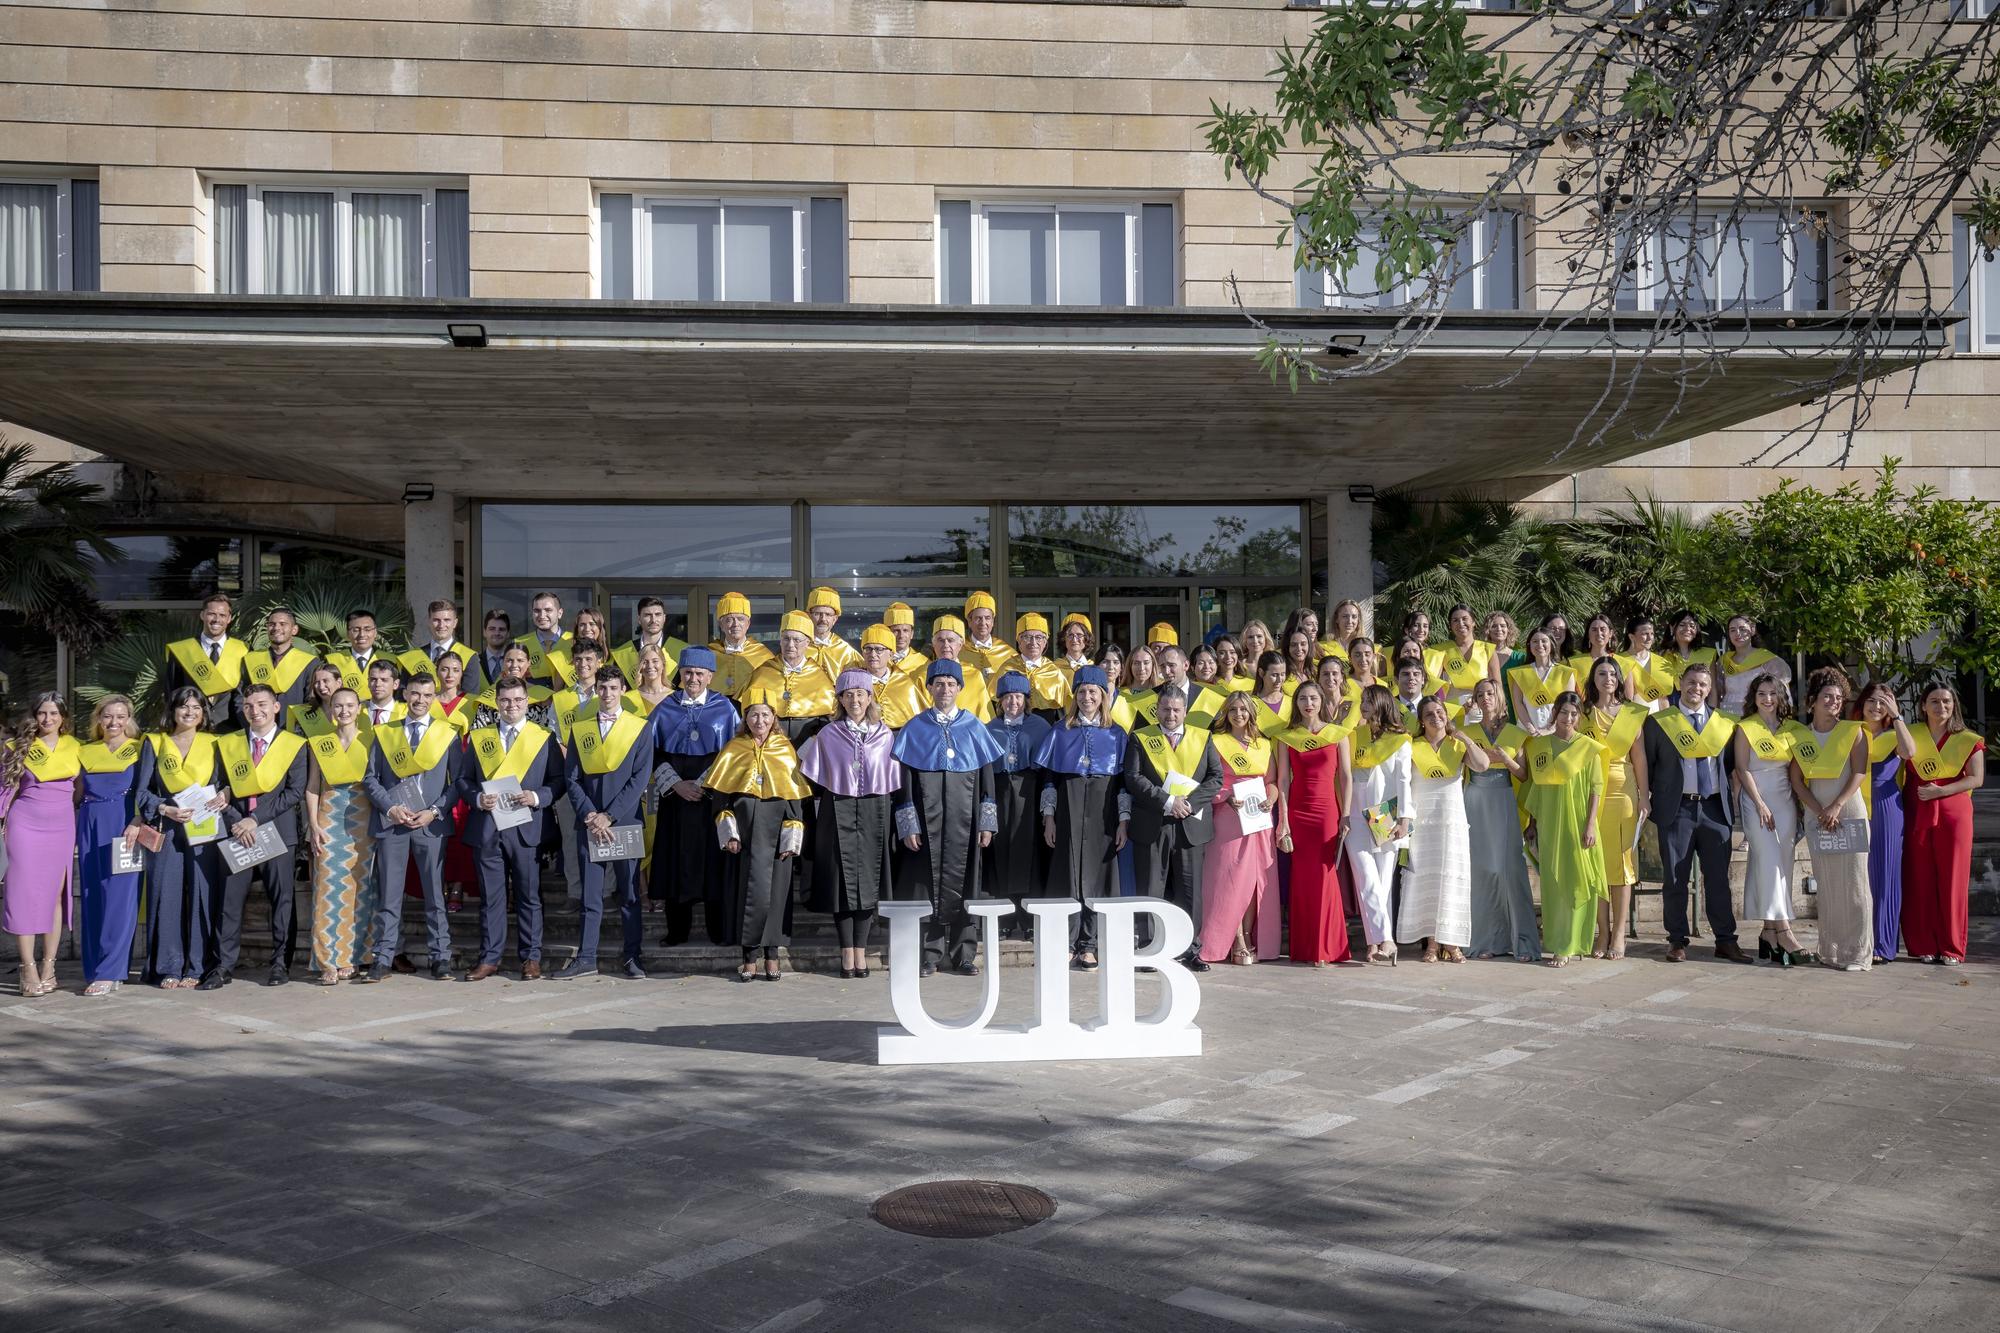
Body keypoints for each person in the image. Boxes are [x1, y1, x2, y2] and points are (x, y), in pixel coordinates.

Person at [893, 661, 1003, 976]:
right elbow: (906, 785)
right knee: (926, 884)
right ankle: (929, 955)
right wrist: (909, 825)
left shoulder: (974, 727)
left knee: (968, 882)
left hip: (965, 823)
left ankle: (964, 953)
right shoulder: (915, 728)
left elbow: (987, 782)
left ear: (959, 688)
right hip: (927, 828)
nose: (944, 689)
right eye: (938, 683)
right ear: (929, 688)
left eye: (950, 684)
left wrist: (986, 822)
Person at [359, 673, 463, 982]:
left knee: (435, 895)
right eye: (415, 694)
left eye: (427, 695)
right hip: (394, 822)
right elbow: (370, 779)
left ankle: (440, 957)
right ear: (405, 694)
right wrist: (390, 807)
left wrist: (434, 811)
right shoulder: (385, 734)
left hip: (429, 824)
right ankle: (383, 956)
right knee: (390, 896)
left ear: (434, 698)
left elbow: (457, 783)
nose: (420, 700)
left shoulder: (447, 734)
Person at [205, 682, 309, 989]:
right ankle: (223, 966)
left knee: (283, 902)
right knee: (229, 902)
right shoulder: (229, 744)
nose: (256, 711)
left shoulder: (293, 744)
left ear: (276, 707)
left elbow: (294, 792)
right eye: (249, 706)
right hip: (237, 832)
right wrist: (239, 821)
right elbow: (218, 788)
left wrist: (255, 819)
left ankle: (280, 964)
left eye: (262, 704)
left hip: (277, 832)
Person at [797, 670, 899, 978]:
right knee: (840, 881)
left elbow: (892, 776)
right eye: (848, 694)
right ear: (840, 699)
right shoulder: (828, 734)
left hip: (874, 808)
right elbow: (811, 772)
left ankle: (862, 950)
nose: (855, 700)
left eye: (861, 694)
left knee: (867, 879)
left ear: (870, 698)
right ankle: (847, 953)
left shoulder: (885, 734)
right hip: (836, 808)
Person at [1641, 662, 1745, 963]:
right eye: (1690, 682)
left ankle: (1726, 940)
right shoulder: (1660, 722)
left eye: (1702, 684)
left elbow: (1729, 767)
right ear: (1680, 683)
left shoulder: (1724, 724)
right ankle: (1676, 940)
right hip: (1677, 808)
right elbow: (1649, 763)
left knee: (1718, 880)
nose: (1695, 689)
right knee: (1675, 878)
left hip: (1714, 807)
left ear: (1709, 689)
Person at [555, 665, 653, 979]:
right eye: (603, 688)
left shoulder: (639, 727)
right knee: (591, 894)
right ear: (596, 690)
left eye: (613, 688)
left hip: (623, 821)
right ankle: (586, 957)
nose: (608, 694)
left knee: (629, 894)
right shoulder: (580, 728)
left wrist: (609, 816)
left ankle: (632, 956)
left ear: (623, 690)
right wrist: (590, 815)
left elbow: (639, 779)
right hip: (589, 823)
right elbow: (572, 779)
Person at [455, 677, 554, 981]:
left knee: (528, 896)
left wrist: (536, 797)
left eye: (518, 700)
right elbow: (463, 780)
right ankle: (490, 958)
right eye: (506, 701)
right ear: (496, 704)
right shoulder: (480, 738)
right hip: (488, 827)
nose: (512, 706)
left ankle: (531, 958)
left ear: (527, 702)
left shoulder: (543, 738)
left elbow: (559, 782)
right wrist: (476, 798)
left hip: (526, 826)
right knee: (491, 898)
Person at [1034, 665, 1129, 971]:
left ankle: (1090, 944)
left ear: (1103, 696)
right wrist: (1048, 818)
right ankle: (1066, 942)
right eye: (1082, 692)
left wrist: (1124, 821)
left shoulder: (1116, 734)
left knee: (1099, 879)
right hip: (1068, 807)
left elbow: (1123, 784)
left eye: (1093, 692)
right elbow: (1049, 780)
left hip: (1104, 811)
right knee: (1067, 876)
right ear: (1074, 696)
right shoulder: (1061, 731)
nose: (1087, 697)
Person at [1126, 685, 1227, 971]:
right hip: (1153, 821)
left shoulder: (1203, 737)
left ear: (1185, 711)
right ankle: (1148, 949)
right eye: (1165, 709)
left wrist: (1190, 804)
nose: (1170, 715)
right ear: (1157, 709)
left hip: (1190, 823)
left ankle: (1191, 949)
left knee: (1190, 890)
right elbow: (1132, 778)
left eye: (1176, 710)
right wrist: (1168, 801)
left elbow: (1215, 777)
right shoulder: (1141, 738)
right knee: (1150, 888)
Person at [648, 646, 741, 946]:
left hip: (710, 798)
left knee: (713, 862)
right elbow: (653, 753)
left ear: (710, 676)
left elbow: (731, 752)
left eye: (700, 673)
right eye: (688, 673)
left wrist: (704, 783)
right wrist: (677, 785)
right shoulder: (665, 708)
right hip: (675, 800)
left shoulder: (725, 708)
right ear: (680, 674)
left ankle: (718, 928)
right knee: (675, 862)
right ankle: (677, 930)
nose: (693, 679)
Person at [132, 687, 224, 989]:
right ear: (172, 710)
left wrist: (224, 795)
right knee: (165, 893)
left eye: (197, 708)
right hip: (167, 826)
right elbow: (142, 791)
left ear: (204, 713)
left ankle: (197, 967)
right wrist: (164, 808)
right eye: (184, 707)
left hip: (203, 826)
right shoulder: (155, 743)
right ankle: (168, 966)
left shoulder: (215, 744)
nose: (190, 713)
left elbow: (225, 785)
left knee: (202, 893)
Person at [1786, 668, 1873, 971]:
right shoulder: (1801, 736)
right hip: (1817, 814)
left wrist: (1836, 806)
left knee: (1854, 884)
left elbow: (1859, 772)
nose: (1834, 702)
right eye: (1827, 697)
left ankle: (1858, 955)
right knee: (1827, 883)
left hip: (1847, 811)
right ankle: (1831, 951)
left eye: (1838, 698)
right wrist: (1819, 809)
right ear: (1812, 701)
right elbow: (1797, 780)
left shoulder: (1853, 731)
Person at [1399, 696, 1490, 963]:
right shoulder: (1412, 746)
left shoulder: (1457, 744)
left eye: (1440, 712)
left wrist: (1466, 738)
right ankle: (1431, 944)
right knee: (1426, 879)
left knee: (1451, 880)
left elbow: (1483, 765)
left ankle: (1452, 943)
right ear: (1421, 720)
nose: (1435, 717)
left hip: (1452, 821)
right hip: (1423, 823)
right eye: (1429, 714)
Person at [1902, 682, 1986, 966]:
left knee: (1953, 881)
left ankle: (1951, 947)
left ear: (1954, 706)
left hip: (1955, 814)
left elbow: (1976, 778)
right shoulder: (1910, 735)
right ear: (1923, 705)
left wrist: (1941, 792)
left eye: (1947, 701)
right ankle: (1923, 944)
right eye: (1935, 701)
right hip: (1917, 811)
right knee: (1919, 878)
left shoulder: (1968, 740)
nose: (1942, 707)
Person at [1523, 693, 1608, 967]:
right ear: (1554, 713)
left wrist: (1591, 823)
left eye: (1573, 714)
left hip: (1579, 821)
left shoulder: (1588, 747)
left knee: (1576, 882)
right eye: (1563, 712)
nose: (1568, 718)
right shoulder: (1541, 747)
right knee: (1554, 884)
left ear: (1579, 716)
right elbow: (1536, 785)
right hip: (1549, 821)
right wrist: (1533, 823)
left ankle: (1572, 944)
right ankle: (1558, 941)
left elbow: (1596, 787)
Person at [1733, 674, 1811, 965]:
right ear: (1753, 697)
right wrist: (1759, 804)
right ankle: (1785, 930)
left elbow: (1799, 769)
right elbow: (1742, 768)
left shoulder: (1792, 729)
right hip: (1757, 801)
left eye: (1772, 693)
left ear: (1780, 697)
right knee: (1767, 859)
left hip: (1785, 800)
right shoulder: (1746, 727)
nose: (1767, 699)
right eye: (1761, 693)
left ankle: (1768, 932)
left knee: (1783, 863)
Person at [301, 686, 377, 985]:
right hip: (328, 817)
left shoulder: (372, 740)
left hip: (362, 820)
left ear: (359, 708)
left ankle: (354, 957)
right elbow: (311, 786)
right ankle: (326, 960)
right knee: (326, 889)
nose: (344, 710)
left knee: (361, 889)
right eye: (338, 705)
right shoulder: (320, 743)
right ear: (331, 709)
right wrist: (313, 824)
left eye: (349, 705)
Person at [1275, 680, 1354, 967]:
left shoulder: (1337, 734)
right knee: (1302, 877)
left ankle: (1327, 947)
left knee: (1325, 875)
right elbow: (1283, 780)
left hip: (1326, 812)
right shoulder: (1287, 737)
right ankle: (1306, 948)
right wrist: (1283, 819)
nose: (1308, 704)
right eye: (1302, 699)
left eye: (1313, 698)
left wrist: (1346, 813)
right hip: (1298, 811)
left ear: (1322, 701)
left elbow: (1345, 776)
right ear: (1296, 704)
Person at [3, 694, 77, 995]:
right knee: (22, 894)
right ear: (34, 716)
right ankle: (27, 967)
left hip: (61, 825)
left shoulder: (76, 747)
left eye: (54, 713)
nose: (48, 719)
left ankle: (48, 964)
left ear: (64, 717)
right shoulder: (15, 748)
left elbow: (81, 789)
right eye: (42, 713)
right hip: (25, 825)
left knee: (55, 897)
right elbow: (3, 790)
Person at [1201, 692, 1281, 965]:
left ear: (1251, 713)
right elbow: (1209, 779)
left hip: (1258, 818)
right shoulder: (1216, 742)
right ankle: (1235, 941)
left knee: (1255, 881)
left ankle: (1247, 935)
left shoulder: (1264, 745)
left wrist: (1271, 799)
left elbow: (1271, 781)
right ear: (1226, 713)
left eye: (1243, 709)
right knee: (1229, 879)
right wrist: (1226, 796)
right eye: (1233, 709)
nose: (1238, 714)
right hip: (1228, 815)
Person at [1463, 678, 1538, 962]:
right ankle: (1486, 940)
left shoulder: (1514, 732)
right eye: (1479, 694)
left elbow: (1523, 775)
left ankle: (1523, 941)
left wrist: (1506, 759)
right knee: (1482, 869)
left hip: (1503, 798)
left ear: (1499, 697)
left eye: (1490, 693)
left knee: (1509, 869)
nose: (1485, 698)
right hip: (1476, 799)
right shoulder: (1468, 731)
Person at [1580, 657, 1650, 960]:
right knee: (1596, 866)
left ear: (1619, 679)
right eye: (1601, 673)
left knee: (1621, 867)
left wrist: (1645, 797)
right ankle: (1602, 932)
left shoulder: (1632, 714)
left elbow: (1640, 758)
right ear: (1592, 679)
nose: (1607, 678)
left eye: (1612, 673)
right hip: (1591, 793)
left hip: (1623, 792)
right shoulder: (1583, 714)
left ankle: (1619, 933)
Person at [76, 695, 145, 996]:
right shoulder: (84, 751)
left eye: (121, 716)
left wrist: (139, 820)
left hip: (125, 825)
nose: (114, 722)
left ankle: (112, 970)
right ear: (98, 719)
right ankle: (94, 967)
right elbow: (75, 794)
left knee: (120, 896)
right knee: (93, 894)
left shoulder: (140, 749)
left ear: (129, 719)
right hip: (90, 824)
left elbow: (149, 789)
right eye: (108, 716)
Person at [1346, 685, 1412, 966]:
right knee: (1366, 878)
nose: (1363, 706)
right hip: (1353, 809)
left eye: (1369, 702)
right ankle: (1386, 938)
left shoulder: (1399, 740)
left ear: (1382, 704)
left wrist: (1405, 819)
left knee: (1382, 883)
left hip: (1384, 812)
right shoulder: (1354, 736)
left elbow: (1403, 780)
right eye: (1362, 701)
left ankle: (1375, 943)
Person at [985, 671, 1052, 940]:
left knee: (1030, 854)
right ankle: (1004, 918)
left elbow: (1047, 769)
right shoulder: (989, 729)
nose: (1013, 702)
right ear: (999, 700)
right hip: (1000, 792)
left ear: (1026, 699)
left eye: (1019, 697)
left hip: (1030, 791)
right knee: (1001, 852)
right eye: (1008, 697)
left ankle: (1029, 919)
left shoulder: (1041, 727)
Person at [1856, 681, 1917, 963]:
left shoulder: (1895, 734)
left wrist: (1899, 716)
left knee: (1885, 874)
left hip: (1885, 807)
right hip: (1854, 805)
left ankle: (1882, 944)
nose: (1876, 706)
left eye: (1883, 702)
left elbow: (1909, 752)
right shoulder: (1850, 731)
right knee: (1858, 875)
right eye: (1872, 700)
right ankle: (1858, 940)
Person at [163, 592, 250, 732]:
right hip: (191, 729)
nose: (217, 619)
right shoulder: (182, 650)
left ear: (229, 619)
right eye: (211, 614)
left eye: (222, 615)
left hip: (232, 729)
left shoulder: (243, 650)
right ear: (202, 615)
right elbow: (172, 693)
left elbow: (245, 694)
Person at [750, 611, 839, 745]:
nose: (790, 645)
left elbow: (827, 722)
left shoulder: (819, 676)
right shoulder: (763, 672)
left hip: (808, 748)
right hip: (770, 746)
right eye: (786, 638)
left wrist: (808, 750)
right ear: (780, 640)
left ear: (807, 642)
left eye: (797, 640)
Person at [245, 606, 319, 711]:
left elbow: (312, 701)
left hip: (293, 724)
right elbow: (241, 696)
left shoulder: (309, 663)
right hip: (256, 723)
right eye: (272, 624)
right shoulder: (252, 659)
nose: (276, 628)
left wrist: (298, 726)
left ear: (294, 630)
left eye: (283, 624)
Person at [1718, 614, 1790, 718]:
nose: (1738, 633)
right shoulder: (1724, 661)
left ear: (1752, 630)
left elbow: (1782, 694)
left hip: (1757, 716)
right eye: (1732, 630)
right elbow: (1718, 693)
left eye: (1742, 629)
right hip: (1728, 716)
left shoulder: (1768, 660)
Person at [855, 625, 926, 728]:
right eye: (868, 649)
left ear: (891, 654)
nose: (873, 654)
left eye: (879, 649)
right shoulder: (854, 682)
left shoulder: (905, 683)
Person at [1507, 627, 1574, 735]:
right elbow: (1518, 703)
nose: (1539, 645)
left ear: (1552, 644)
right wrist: (1530, 728)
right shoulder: (1521, 673)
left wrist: (1551, 728)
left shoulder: (1565, 673)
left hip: (1557, 732)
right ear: (1529, 646)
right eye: (1535, 641)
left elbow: (1569, 704)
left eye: (1544, 641)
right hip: (1527, 732)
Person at [927, 616, 995, 721]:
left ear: (960, 644)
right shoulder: (922, 674)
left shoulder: (974, 676)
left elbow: (984, 718)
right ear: (933, 644)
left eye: (950, 640)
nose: (946, 645)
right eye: (940, 640)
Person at [613, 595, 688, 688]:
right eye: (647, 615)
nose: (653, 620)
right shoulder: (622, 654)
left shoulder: (683, 651)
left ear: (664, 618)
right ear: (639, 619)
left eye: (658, 614)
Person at [708, 591, 774, 699]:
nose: (735, 624)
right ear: (721, 625)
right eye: (729, 619)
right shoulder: (709, 653)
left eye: (740, 619)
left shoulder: (764, 656)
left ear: (748, 624)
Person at [1436, 604, 1501, 710]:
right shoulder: (1442, 651)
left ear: (1473, 622)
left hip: (1482, 709)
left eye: (1465, 619)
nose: (1461, 624)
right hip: (1453, 710)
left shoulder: (1487, 650)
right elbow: (1435, 685)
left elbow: (1497, 687)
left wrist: (1498, 711)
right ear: (1450, 626)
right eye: (1455, 620)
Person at [1011, 613, 1071, 723]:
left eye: (1038, 637)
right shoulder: (1007, 669)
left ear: (1045, 642)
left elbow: (1062, 714)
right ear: (1019, 640)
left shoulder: (1054, 672)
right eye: (1027, 637)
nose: (1033, 643)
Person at [402, 599, 474, 683]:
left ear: (455, 623)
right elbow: (404, 692)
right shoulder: (413, 657)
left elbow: (470, 695)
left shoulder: (469, 657)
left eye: (447, 620)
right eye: (436, 620)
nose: (441, 625)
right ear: (429, 622)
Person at [1157, 645, 1225, 729]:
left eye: (1171, 665)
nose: (1166, 671)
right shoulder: (1151, 697)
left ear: (1186, 665)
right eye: (1163, 666)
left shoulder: (1209, 698)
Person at [515, 591, 573, 686]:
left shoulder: (574, 641)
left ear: (560, 613)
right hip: (532, 699)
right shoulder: (519, 644)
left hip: (568, 699)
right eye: (537, 611)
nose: (542, 616)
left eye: (548, 610)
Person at [325, 608, 386, 695]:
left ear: (375, 632)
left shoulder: (390, 660)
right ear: (348, 634)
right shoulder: (333, 661)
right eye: (356, 630)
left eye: (367, 629)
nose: (362, 635)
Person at [1565, 614, 1630, 695]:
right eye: (1594, 630)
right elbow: (1569, 696)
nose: (1599, 633)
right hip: (1584, 707)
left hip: (1615, 707)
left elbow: (1628, 699)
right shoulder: (1574, 663)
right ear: (1588, 634)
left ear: (1610, 633)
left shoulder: (1623, 663)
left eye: (1603, 629)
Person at [1623, 615, 1675, 711]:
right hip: (1630, 717)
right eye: (1645, 634)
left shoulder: (1662, 663)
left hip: (1655, 718)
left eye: (1652, 634)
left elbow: (1662, 699)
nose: (1650, 638)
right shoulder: (1619, 660)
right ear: (1631, 636)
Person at [805, 586, 860, 676]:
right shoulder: (798, 647)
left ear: (835, 619)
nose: (823, 619)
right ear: (809, 616)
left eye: (828, 614)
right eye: (818, 613)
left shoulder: (846, 651)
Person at [466, 608, 516, 696]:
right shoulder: (473, 662)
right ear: (484, 632)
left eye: (501, 629)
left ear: (508, 633)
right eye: (492, 629)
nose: (497, 633)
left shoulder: (516, 663)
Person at [288, 662, 345, 738]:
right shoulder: (304, 713)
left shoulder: (352, 710)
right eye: (317, 682)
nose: (321, 687)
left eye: (326, 681)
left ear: (339, 682)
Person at [1109, 644, 1158, 731]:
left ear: (1153, 664)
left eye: (1146, 663)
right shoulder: (1118, 694)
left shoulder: (1160, 694)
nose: (1141, 668)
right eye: (1136, 663)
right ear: (1130, 666)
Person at [957, 594, 1000, 684]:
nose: (983, 623)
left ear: (993, 622)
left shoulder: (1008, 653)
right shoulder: (957, 651)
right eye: (978, 618)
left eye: (987, 618)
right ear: (969, 621)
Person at [1660, 611, 1715, 683]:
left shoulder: (1708, 654)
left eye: (1692, 626)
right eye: (1682, 625)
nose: (1687, 629)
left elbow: (1713, 687)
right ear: (1672, 628)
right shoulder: (1662, 655)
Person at [885, 603, 932, 680]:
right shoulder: (877, 660)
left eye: (905, 630)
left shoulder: (924, 663)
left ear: (912, 634)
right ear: (887, 632)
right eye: (896, 630)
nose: (901, 636)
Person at [362, 659, 405, 728]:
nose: (378, 684)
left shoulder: (407, 713)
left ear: (396, 684)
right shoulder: (356, 711)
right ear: (368, 682)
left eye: (384, 680)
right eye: (373, 679)